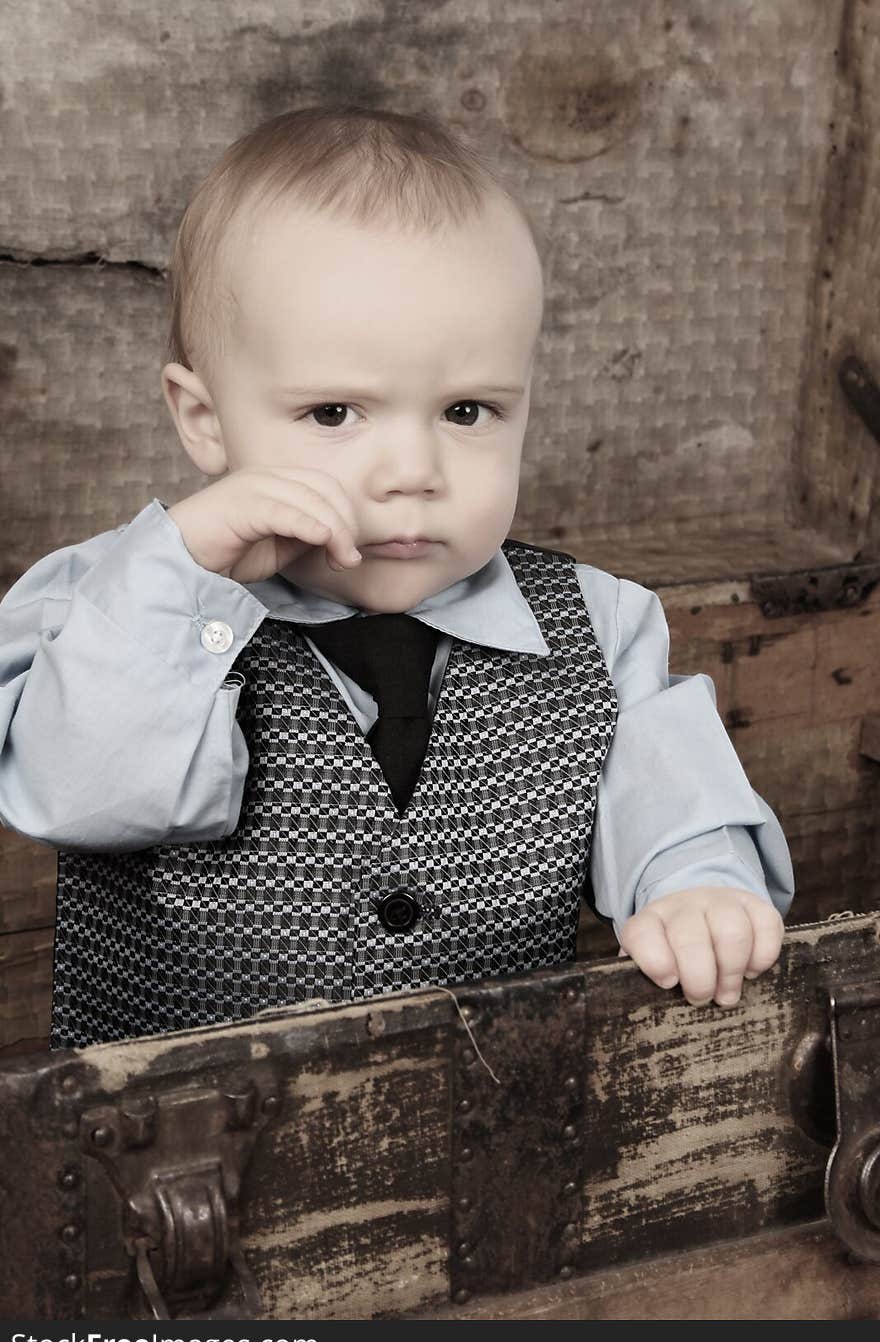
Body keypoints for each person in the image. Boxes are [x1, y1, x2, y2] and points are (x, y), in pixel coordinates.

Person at [0, 105, 793, 1050]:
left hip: (491, 1125)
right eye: (335, 411)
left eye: (468, 410)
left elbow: (674, 796)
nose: (412, 469)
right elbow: (82, 794)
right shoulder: (110, 602)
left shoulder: (599, 625)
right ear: (204, 419)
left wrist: (694, 885)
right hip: (173, 1157)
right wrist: (182, 574)